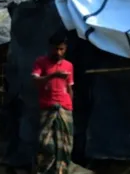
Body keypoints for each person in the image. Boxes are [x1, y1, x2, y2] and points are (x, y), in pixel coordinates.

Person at [31, 32, 74, 174]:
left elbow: (69, 88)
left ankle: (61, 171)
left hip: (65, 108)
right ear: (50, 48)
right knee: (45, 143)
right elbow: (35, 81)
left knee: (65, 145)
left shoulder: (68, 66)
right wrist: (53, 75)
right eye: (56, 49)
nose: (58, 52)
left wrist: (70, 106)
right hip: (48, 107)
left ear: (65, 48)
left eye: (61, 49)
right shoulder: (41, 62)